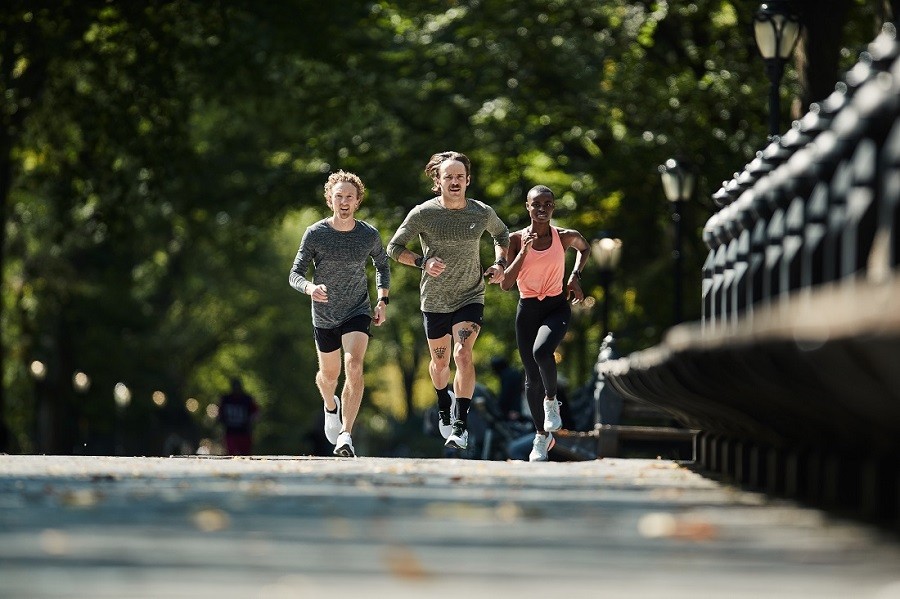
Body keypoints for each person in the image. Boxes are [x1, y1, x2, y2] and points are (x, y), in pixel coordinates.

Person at [387, 151, 509, 452]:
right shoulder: (423, 213)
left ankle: (460, 425)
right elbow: (393, 247)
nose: (454, 182)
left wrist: (499, 265)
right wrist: (421, 262)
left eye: (459, 177)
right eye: (448, 177)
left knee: (463, 354)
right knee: (440, 363)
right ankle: (444, 401)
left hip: (470, 295)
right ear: (437, 181)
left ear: (468, 180)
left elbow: (502, 235)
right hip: (435, 300)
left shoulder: (481, 212)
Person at [289, 170, 391, 458]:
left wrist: (382, 301)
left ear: (358, 200)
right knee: (328, 376)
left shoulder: (368, 234)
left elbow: (382, 266)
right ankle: (329, 405)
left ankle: (346, 434)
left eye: (349, 196)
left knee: (354, 363)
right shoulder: (316, 233)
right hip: (324, 314)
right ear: (329, 199)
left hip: (357, 310)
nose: (344, 201)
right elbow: (295, 273)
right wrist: (309, 287)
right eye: (339, 196)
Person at [500, 184, 590, 462]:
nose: (542, 209)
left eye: (547, 204)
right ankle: (542, 437)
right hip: (527, 309)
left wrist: (575, 275)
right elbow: (505, 283)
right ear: (527, 207)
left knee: (542, 352)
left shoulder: (564, 237)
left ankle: (552, 401)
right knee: (531, 379)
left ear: (553, 207)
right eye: (536, 204)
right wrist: (523, 254)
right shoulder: (514, 240)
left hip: (555, 306)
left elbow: (584, 248)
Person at [217, 378, 260, 456]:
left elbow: (256, 412)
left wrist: (251, 420)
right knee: (231, 454)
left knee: (245, 455)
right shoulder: (226, 399)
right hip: (230, 432)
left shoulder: (247, 399)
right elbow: (220, 412)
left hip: (244, 432)